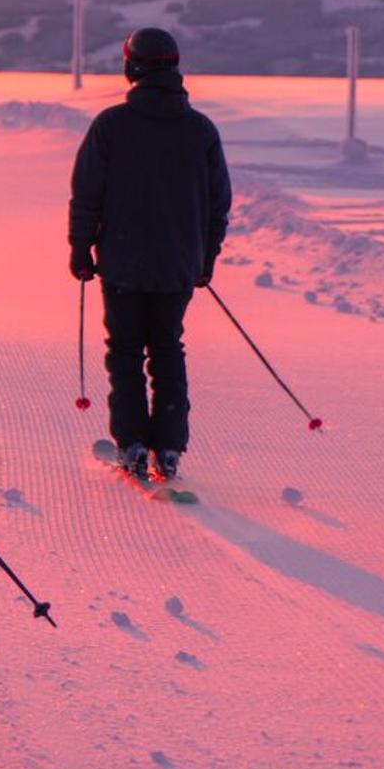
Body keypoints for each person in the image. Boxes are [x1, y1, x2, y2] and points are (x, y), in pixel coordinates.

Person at [69, 27, 232, 482]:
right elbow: (218, 205)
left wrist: (81, 249)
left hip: (122, 263)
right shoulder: (201, 130)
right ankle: (170, 447)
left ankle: (134, 444)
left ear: (132, 66)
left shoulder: (111, 126)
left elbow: (87, 196)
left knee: (124, 352)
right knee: (167, 349)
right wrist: (205, 259)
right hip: (179, 267)